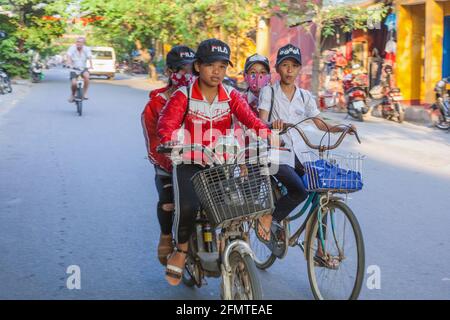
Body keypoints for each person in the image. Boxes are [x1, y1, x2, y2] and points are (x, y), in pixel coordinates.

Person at [157, 38, 272, 286]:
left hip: (220, 163)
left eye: (222, 66)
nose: (217, 72)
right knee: (187, 207)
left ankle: (230, 248)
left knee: (230, 209)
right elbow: (166, 125)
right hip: (190, 162)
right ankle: (182, 250)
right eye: (211, 65)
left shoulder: (231, 96)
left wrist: (270, 136)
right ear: (198, 67)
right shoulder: (183, 95)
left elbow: (252, 121)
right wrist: (168, 141)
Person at [257, 44, 356, 244]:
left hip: (300, 154)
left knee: (323, 187)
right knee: (299, 191)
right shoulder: (269, 92)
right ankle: (269, 217)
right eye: (285, 65)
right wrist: (272, 126)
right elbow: (261, 122)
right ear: (278, 68)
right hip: (275, 153)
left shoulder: (304, 96)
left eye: (294, 65)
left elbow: (320, 123)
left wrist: (342, 128)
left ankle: (320, 247)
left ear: (299, 68)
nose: (289, 70)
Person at [141, 45, 196, 266]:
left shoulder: (205, 99)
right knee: (168, 202)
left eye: (192, 70)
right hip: (169, 165)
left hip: (203, 162)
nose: (188, 75)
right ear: (169, 73)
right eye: (182, 70)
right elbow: (154, 146)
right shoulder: (155, 105)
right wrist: (175, 162)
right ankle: (166, 235)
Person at [67, 37, 93, 102]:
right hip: (74, 68)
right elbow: (69, 56)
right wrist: (69, 64)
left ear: (83, 43)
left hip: (83, 68)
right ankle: (73, 95)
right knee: (74, 83)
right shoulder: (72, 48)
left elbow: (89, 57)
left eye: (80, 42)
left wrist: (91, 65)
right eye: (77, 41)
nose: (78, 43)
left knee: (87, 77)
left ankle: (84, 93)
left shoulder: (86, 49)